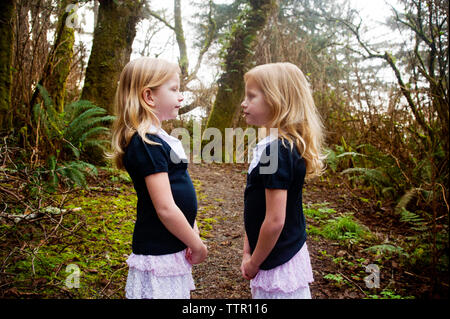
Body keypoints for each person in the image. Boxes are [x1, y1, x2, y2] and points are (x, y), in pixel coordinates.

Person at [109, 57, 207, 299]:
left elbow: (177, 192)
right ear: (149, 97)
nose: (181, 96)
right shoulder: (146, 144)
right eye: (174, 89)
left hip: (172, 245)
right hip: (158, 251)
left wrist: (191, 230)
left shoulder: (158, 139)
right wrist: (197, 246)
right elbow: (164, 207)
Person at [240, 62, 326, 299]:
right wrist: (248, 248)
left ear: (277, 101)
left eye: (251, 96)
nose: (243, 103)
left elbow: (275, 220)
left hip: (277, 259)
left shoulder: (276, 151)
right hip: (276, 251)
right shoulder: (275, 146)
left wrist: (254, 262)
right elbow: (256, 206)